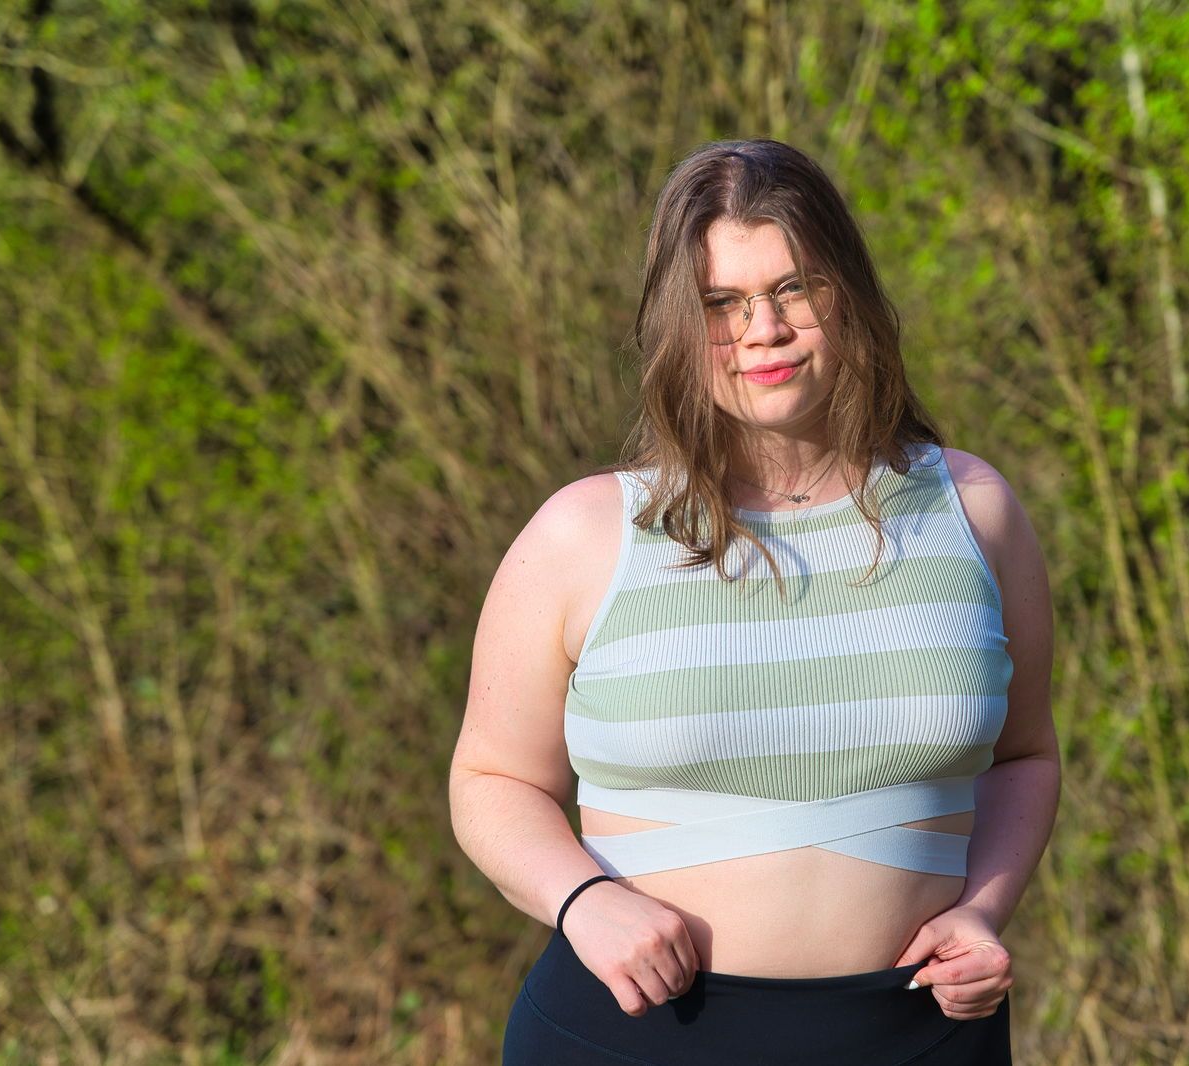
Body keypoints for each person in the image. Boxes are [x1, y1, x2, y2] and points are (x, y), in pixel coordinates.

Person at [449, 138, 1059, 1065]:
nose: (762, 330)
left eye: (794, 289)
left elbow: (1025, 758)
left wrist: (984, 909)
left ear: (849, 294)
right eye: (720, 304)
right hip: (633, 1039)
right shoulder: (584, 534)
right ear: (675, 325)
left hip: (920, 1036)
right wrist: (586, 902)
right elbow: (492, 782)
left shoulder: (972, 511)